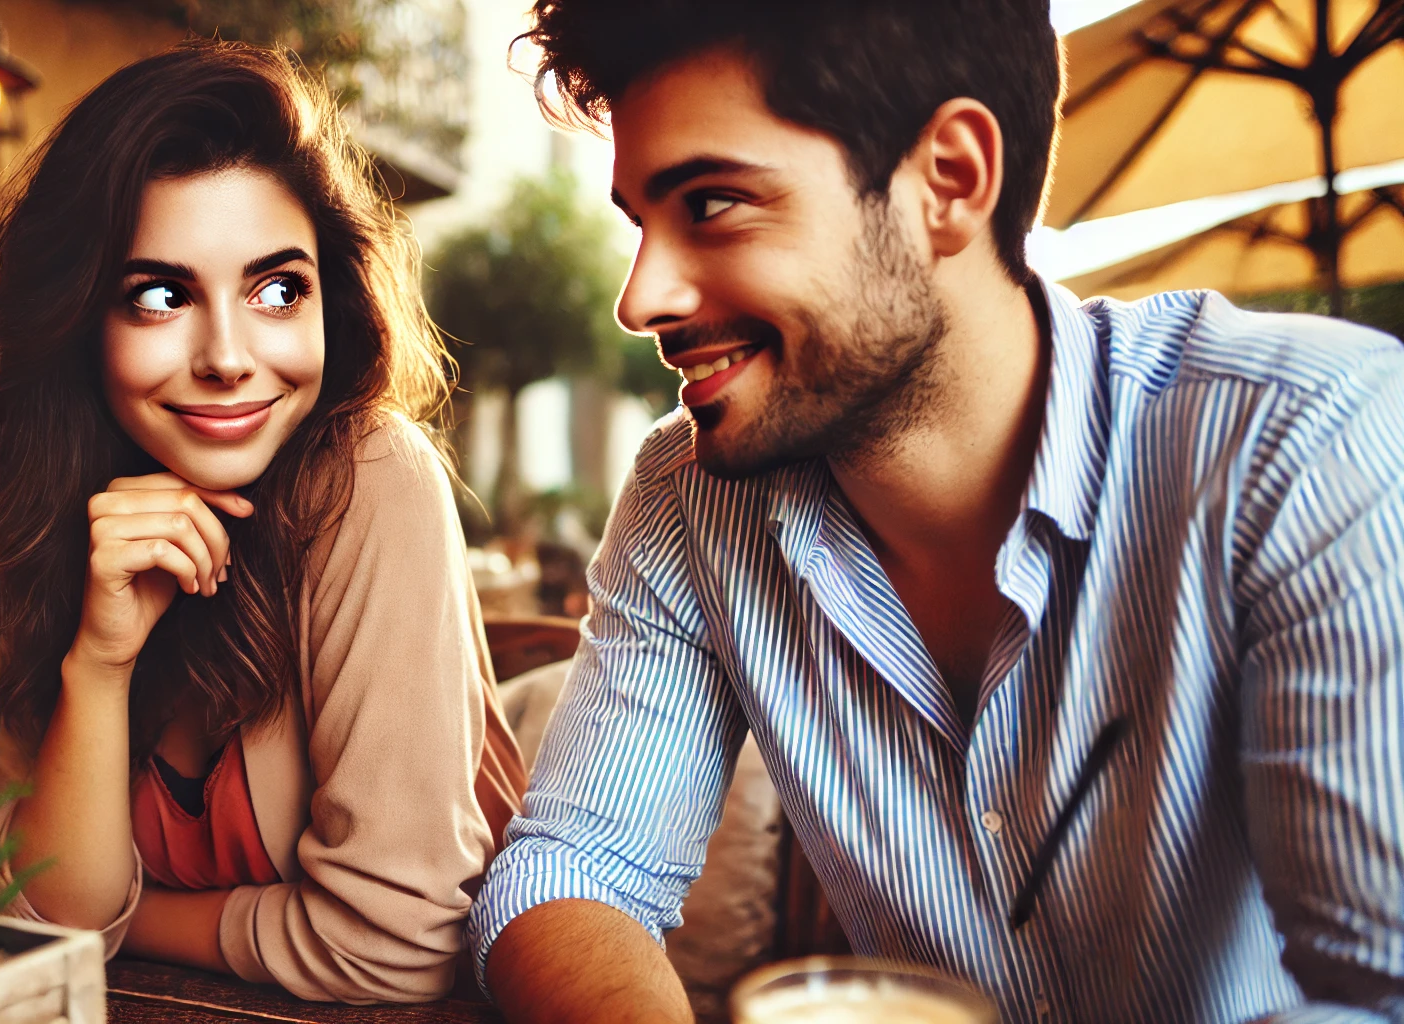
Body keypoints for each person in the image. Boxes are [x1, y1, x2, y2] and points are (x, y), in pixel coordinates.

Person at [471, 2, 1404, 1022]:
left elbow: (1377, 991)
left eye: (712, 204)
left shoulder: (1305, 439)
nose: (640, 295)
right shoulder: (689, 494)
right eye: (639, 221)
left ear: (948, 180)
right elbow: (571, 869)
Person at [0, 41, 526, 1004]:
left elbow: (399, 943)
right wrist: (99, 662)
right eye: (161, 296)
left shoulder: (369, 478)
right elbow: (32, 926)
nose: (227, 357)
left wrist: (134, 922)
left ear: (331, 296)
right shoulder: (56, 518)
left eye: (277, 288)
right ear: (82, 319)